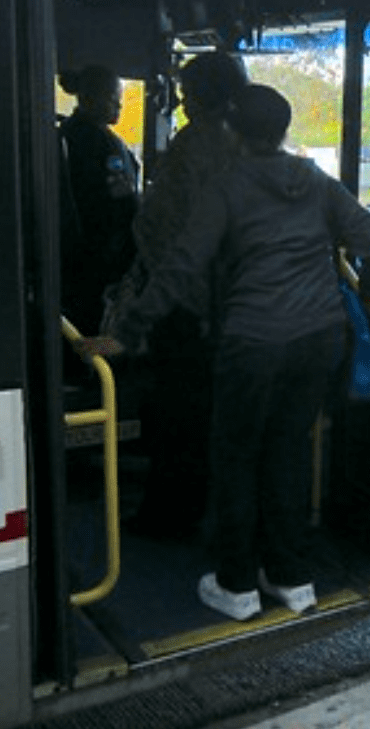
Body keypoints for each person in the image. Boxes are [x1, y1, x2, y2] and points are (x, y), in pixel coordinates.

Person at [78, 84, 370, 621]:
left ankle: (238, 584)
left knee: (237, 458)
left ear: (232, 130)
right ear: (285, 130)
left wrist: (122, 333)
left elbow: (180, 269)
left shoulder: (226, 187)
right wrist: (369, 301)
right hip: (320, 340)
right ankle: (292, 578)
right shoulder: (314, 181)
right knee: (289, 452)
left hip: (254, 344)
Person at [123, 51, 249, 535]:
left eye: (186, 92)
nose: (180, 100)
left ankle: (171, 514)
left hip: (186, 307)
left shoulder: (195, 147)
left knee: (178, 414)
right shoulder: (250, 150)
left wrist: (148, 305)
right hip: (232, 310)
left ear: (204, 95)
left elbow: (171, 233)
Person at [58, 65, 139, 335]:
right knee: (97, 321)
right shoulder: (103, 143)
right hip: (101, 251)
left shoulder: (65, 133)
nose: (119, 104)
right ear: (88, 98)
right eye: (112, 97)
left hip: (71, 251)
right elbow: (122, 201)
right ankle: (94, 371)